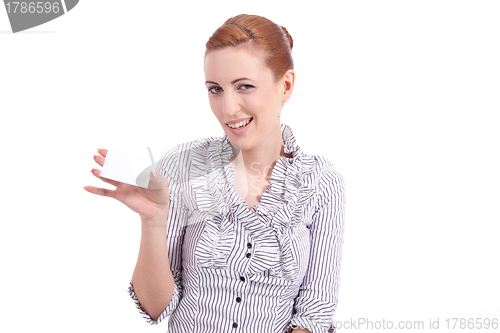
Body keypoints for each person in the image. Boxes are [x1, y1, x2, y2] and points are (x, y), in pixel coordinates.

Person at [84, 14, 345, 333]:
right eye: (215, 89)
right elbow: (155, 308)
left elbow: (315, 312)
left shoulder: (321, 181)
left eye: (244, 86)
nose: (228, 108)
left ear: (286, 85)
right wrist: (153, 222)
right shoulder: (182, 165)